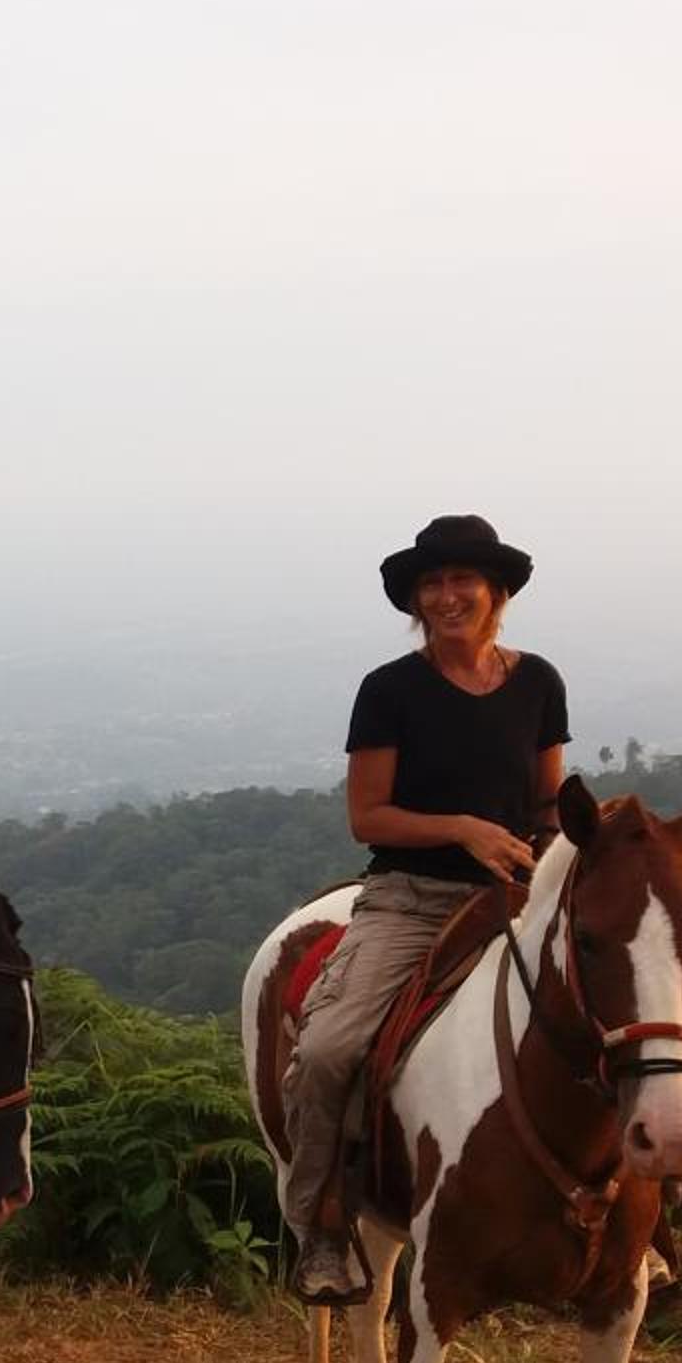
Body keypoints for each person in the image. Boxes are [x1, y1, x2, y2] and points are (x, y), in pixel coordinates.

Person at [279, 514, 568, 1303]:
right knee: (330, 1049)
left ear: (496, 591)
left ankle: (629, 1224)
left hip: (515, 895)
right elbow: (368, 818)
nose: (446, 597)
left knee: (617, 1013)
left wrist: (556, 857)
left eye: (462, 579)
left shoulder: (538, 683)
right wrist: (464, 829)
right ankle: (321, 1227)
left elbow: (547, 799)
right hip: (411, 900)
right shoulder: (390, 690)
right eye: (431, 584)